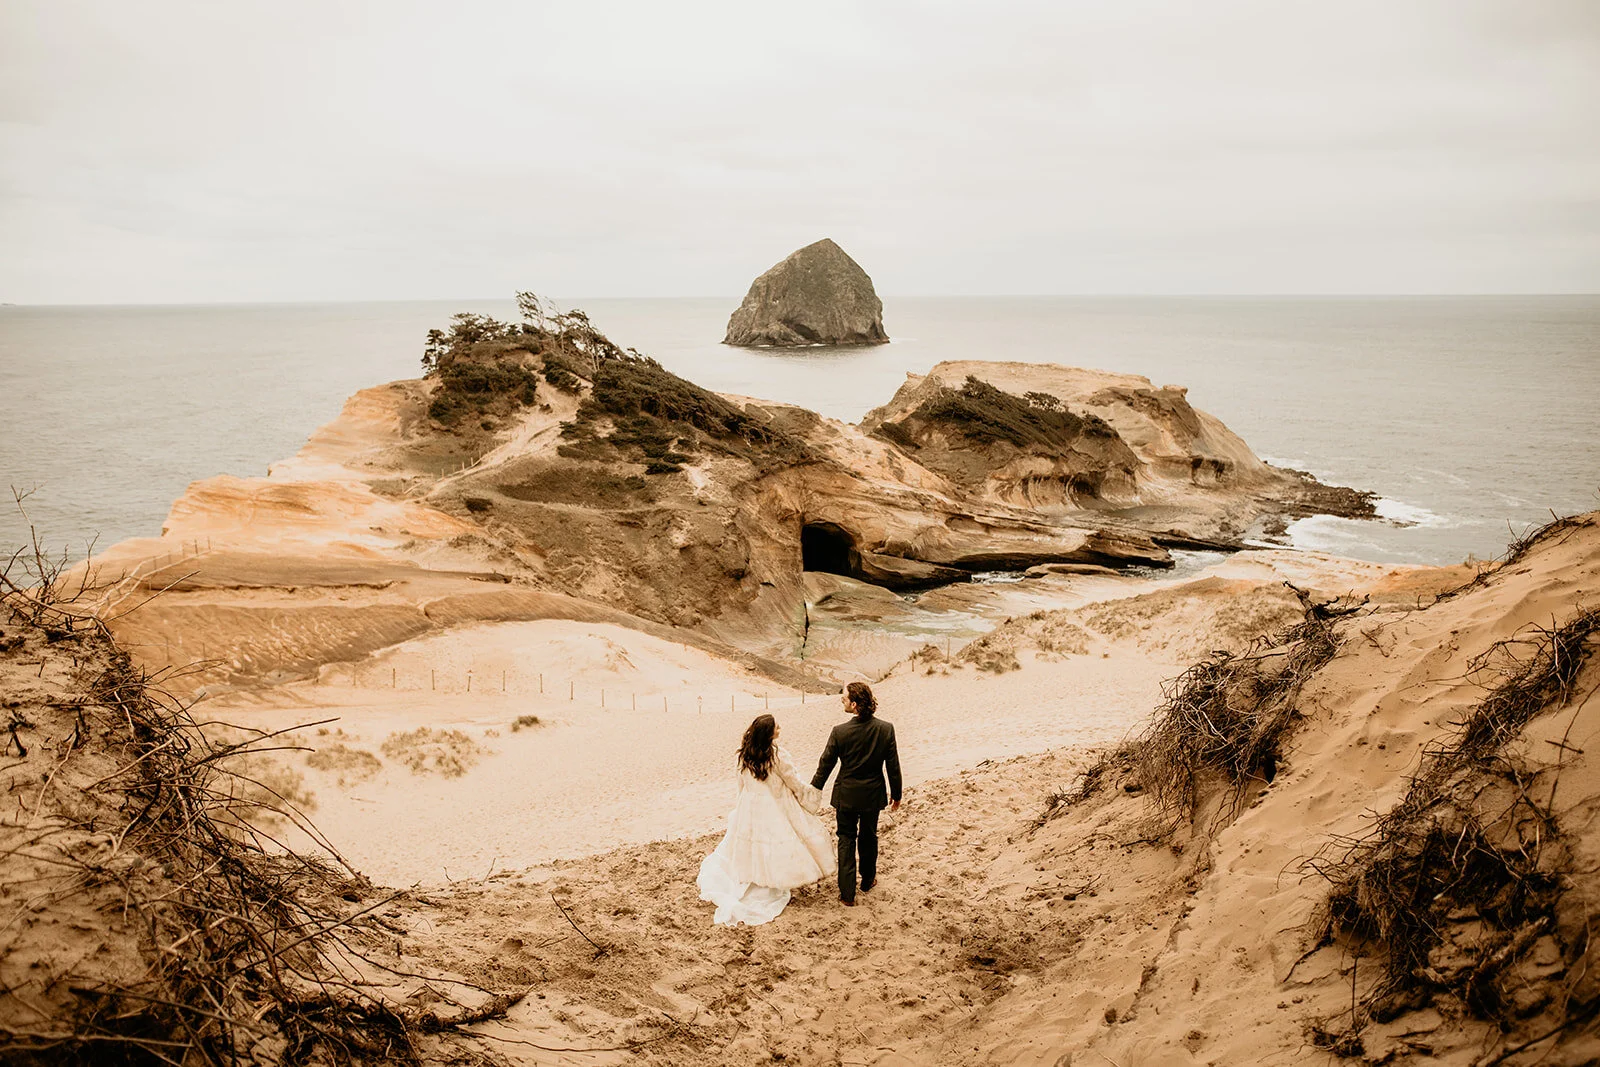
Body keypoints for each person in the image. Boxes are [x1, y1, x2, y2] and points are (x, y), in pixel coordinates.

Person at [697, 714, 836, 926]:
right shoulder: (777, 755)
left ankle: (756, 878)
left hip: (750, 805)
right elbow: (793, 781)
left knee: (752, 846)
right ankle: (770, 880)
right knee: (776, 845)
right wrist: (808, 797)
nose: (780, 728)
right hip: (776, 806)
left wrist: (742, 806)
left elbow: (740, 784)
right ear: (769, 733)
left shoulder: (744, 755)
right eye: (776, 726)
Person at [811, 681, 901, 906]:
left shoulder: (840, 732)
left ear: (854, 703)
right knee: (869, 837)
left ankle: (847, 893)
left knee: (846, 839)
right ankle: (868, 880)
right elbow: (893, 766)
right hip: (872, 795)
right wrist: (896, 793)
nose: (841, 700)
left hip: (847, 796)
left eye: (844, 698)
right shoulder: (885, 729)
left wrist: (813, 790)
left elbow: (826, 764)